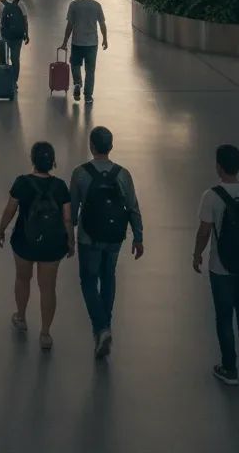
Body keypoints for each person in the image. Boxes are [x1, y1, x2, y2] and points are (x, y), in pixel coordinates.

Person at [193, 144, 239, 386]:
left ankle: (228, 367)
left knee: (224, 315)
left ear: (219, 166)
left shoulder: (211, 196)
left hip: (221, 267)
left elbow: (204, 231)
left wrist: (197, 255)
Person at [69, 127, 144, 359]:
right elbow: (132, 207)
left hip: (88, 237)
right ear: (110, 147)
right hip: (114, 236)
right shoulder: (123, 174)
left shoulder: (80, 173)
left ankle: (101, 328)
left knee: (89, 281)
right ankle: (104, 328)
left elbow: (71, 211)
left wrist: (68, 236)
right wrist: (138, 237)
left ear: (91, 146)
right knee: (108, 277)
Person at [0, 141, 75, 351]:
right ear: (53, 162)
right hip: (52, 244)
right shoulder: (60, 187)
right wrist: (70, 240)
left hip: (24, 240)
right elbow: (67, 218)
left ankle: (21, 317)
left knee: (23, 278)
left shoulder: (22, 183)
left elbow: (10, 209)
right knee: (48, 287)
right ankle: (45, 333)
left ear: (33, 161)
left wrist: (1, 230)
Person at [60, 0, 108, 104]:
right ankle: (88, 96)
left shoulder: (74, 5)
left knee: (75, 64)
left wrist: (65, 42)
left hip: (77, 42)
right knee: (90, 70)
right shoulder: (96, 5)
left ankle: (77, 83)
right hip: (92, 43)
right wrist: (105, 39)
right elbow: (102, 24)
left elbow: (69, 25)